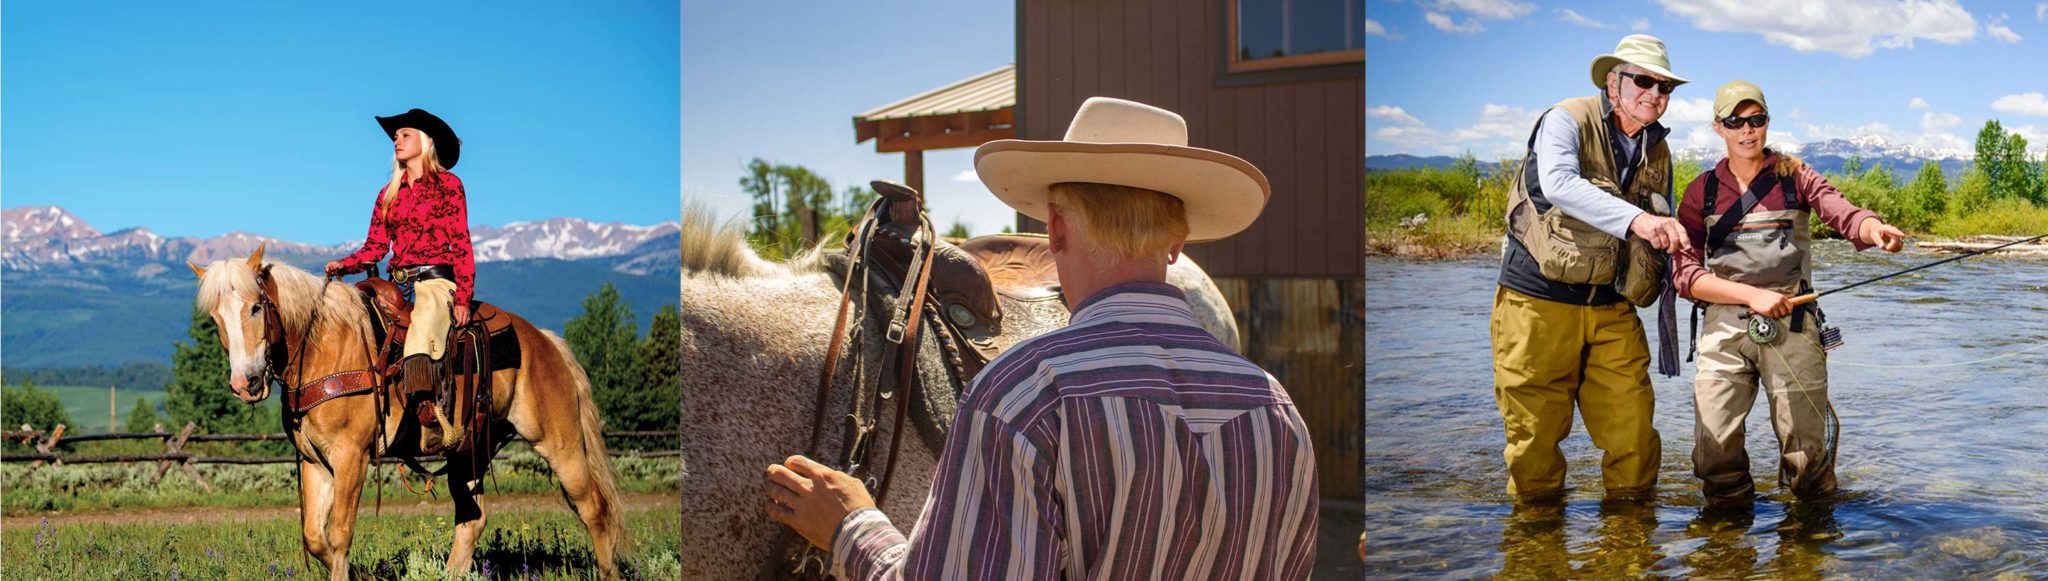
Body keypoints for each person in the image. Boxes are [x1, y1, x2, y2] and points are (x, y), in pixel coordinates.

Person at [762, 97, 1320, 579]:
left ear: (1053, 228)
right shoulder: (1278, 409)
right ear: (1178, 241)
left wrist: (851, 529)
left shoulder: (1024, 397)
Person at [1675, 80, 1905, 508]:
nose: (1748, 131)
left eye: (1756, 120)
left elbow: (1840, 209)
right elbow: (1684, 274)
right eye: (1735, 122)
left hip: (1794, 323)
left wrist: (1873, 230)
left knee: (1806, 457)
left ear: (1767, 122)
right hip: (1723, 328)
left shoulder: (1794, 175)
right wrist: (1749, 296)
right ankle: (1725, 548)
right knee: (1713, 452)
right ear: (1718, 127)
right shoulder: (1700, 191)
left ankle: (1810, 546)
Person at [1492, 34, 1692, 501]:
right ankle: (1537, 550)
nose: (1655, 95)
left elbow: (1664, 224)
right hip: (1536, 305)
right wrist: (1639, 220)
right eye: (1644, 81)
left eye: (1665, 88)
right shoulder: (1565, 118)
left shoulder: (1658, 150)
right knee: (1534, 447)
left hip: (1612, 308)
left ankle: (1631, 550)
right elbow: (1559, 183)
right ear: (1612, 81)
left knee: (1635, 439)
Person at [325, 108, 476, 454]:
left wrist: (464, 297)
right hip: (397, 282)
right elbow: (375, 247)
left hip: (436, 282)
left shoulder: (449, 186)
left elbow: (461, 243)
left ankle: (432, 420)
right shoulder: (388, 193)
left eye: (404, 134)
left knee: (423, 329)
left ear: (425, 142)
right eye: (396, 136)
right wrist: (344, 266)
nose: (396, 139)